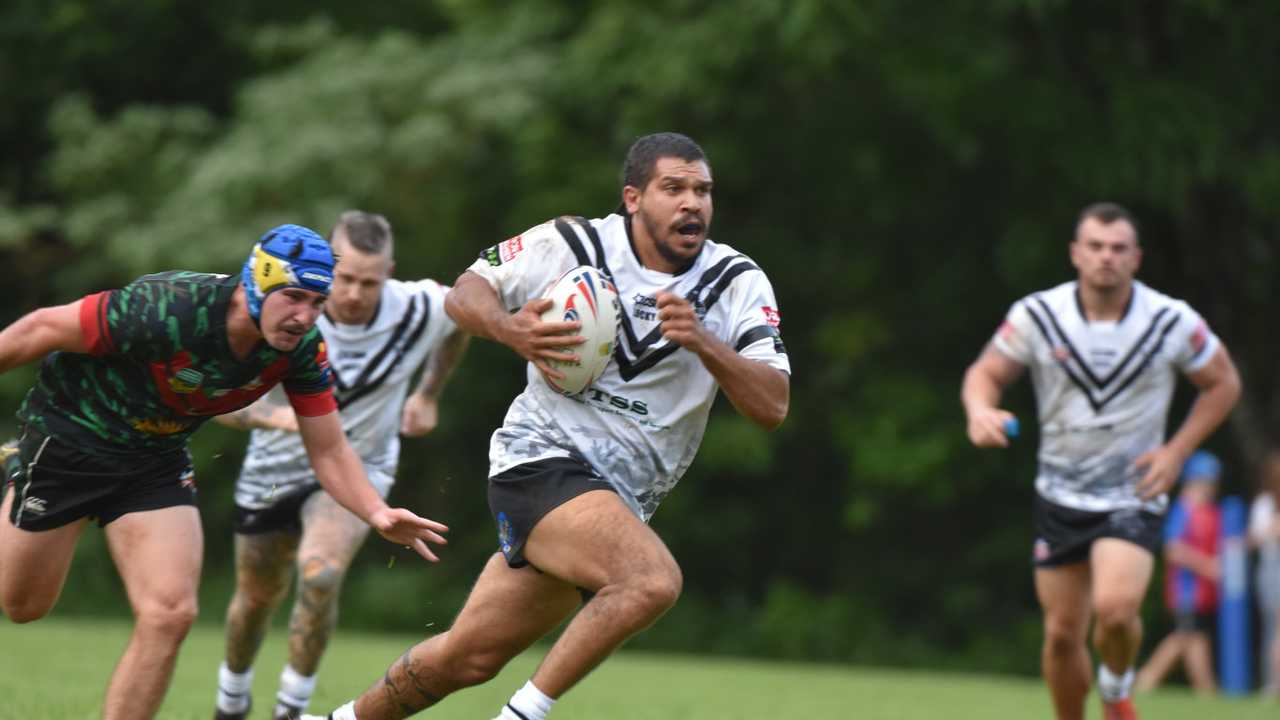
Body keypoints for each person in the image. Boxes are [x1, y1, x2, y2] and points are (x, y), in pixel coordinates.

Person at [304, 132, 790, 720]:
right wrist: (511, 330)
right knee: (649, 581)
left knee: (468, 656)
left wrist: (705, 342)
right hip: (541, 458)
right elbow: (466, 293)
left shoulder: (736, 281)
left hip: (619, 497)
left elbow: (772, 407)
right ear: (633, 198)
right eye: (674, 188)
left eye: (703, 190)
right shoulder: (573, 241)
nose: (693, 203)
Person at [0, 225, 449, 720]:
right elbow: (38, 330)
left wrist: (377, 512)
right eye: (294, 297)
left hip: (154, 461)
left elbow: (329, 449)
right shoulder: (169, 307)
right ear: (257, 283)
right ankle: (19, 470)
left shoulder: (299, 350)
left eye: (317, 302)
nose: (305, 316)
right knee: (24, 606)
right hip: (69, 445)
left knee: (171, 614)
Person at [961, 202, 1241, 720]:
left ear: (1136, 257)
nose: (1106, 258)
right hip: (1059, 494)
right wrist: (980, 410)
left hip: (1133, 491)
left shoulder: (1170, 320)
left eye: (1117, 248)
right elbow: (986, 372)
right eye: (1095, 246)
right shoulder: (1039, 315)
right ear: (1075, 253)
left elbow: (1223, 383)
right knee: (1063, 636)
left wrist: (1177, 452)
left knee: (1114, 611)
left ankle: (1115, 689)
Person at [211, 212, 469, 720]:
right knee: (256, 598)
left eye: (369, 282)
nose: (352, 293)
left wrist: (429, 392)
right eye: (344, 278)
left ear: (390, 272)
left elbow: (462, 317)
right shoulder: (286, 306)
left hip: (359, 468)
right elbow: (220, 401)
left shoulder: (418, 308)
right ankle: (231, 701)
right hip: (272, 470)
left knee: (321, 573)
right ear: (329, 265)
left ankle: (291, 709)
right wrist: (281, 419)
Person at [1134, 450, 1222, 695]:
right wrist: (1207, 566)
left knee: (1191, 636)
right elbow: (1173, 549)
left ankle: (1200, 688)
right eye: (1207, 482)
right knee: (1187, 636)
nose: (1211, 488)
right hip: (1186, 588)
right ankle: (1152, 679)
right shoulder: (1184, 510)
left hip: (1202, 591)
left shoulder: (1208, 511)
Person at [1249, 449, 1280, 697]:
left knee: (1274, 630)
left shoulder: (1262, 505)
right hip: (1274, 570)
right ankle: (1274, 685)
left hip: (1269, 570)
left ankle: (1272, 684)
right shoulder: (1265, 505)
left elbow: (1255, 538)